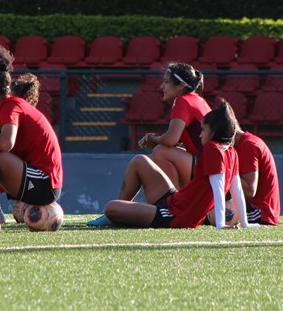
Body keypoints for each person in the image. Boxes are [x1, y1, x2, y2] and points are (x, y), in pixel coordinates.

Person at [101, 101, 260, 230]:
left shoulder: (212, 148)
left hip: (175, 215)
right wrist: (245, 224)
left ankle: (121, 216)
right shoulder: (231, 151)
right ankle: (120, 215)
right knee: (139, 161)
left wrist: (220, 224)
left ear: (214, 132)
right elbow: (236, 190)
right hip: (175, 201)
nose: (200, 134)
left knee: (111, 208)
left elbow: (219, 188)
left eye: (203, 130)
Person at [87, 63, 209, 226]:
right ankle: (167, 204)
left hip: (207, 173)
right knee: (152, 155)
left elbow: (170, 140)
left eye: (166, 82)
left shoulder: (182, 100)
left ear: (180, 85)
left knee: (161, 151)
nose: (161, 86)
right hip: (208, 174)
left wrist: (154, 139)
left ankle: (170, 205)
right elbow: (182, 141)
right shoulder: (196, 99)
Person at [0, 47, 64, 232]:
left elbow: (6, 145)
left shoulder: (10, 105)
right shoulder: (9, 106)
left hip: (44, 184)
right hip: (43, 182)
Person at [233, 127, 281, 226]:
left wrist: (226, 172)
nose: (201, 136)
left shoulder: (248, 145)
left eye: (204, 130)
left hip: (259, 212)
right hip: (257, 208)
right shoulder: (245, 143)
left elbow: (250, 191)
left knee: (206, 213)